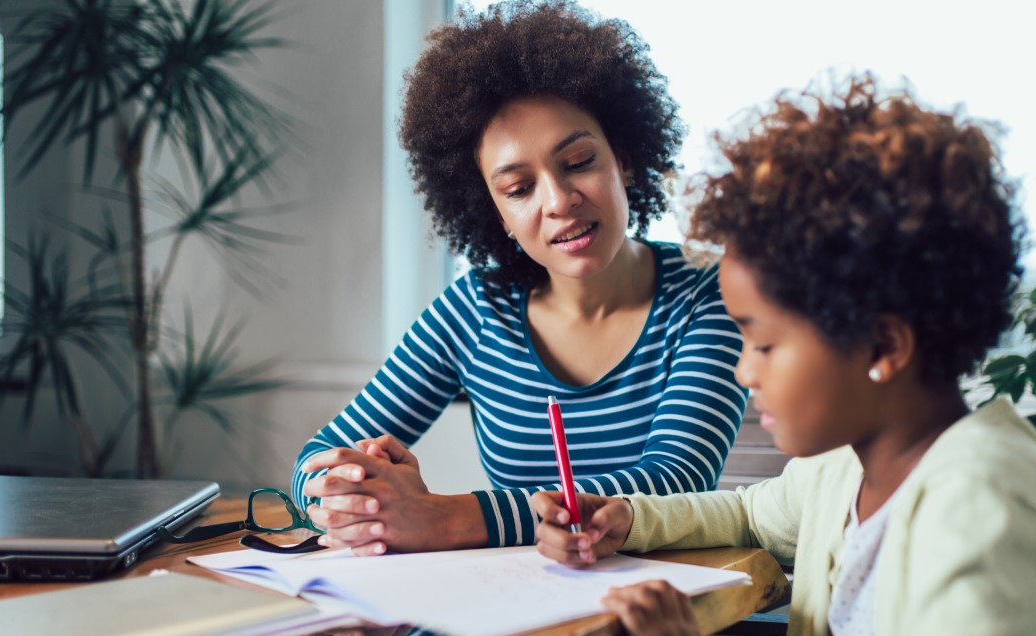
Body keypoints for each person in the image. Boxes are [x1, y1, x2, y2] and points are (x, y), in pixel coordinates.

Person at [532, 78, 1036, 636]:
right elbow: (751, 514)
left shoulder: (982, 520)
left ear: (883, 348)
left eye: (763, 344)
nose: (744, 371)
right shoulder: (851, 466)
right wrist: (626, 519)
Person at [291, 0, 748, 557]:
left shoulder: (709, 293)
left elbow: (675, 482)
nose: (560, 201)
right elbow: (315, 460)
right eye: (519, 188)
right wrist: (352, 502)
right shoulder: (475, 310)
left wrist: (447, 518)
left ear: (624, 158)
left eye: (579, 161)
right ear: (494, 212)